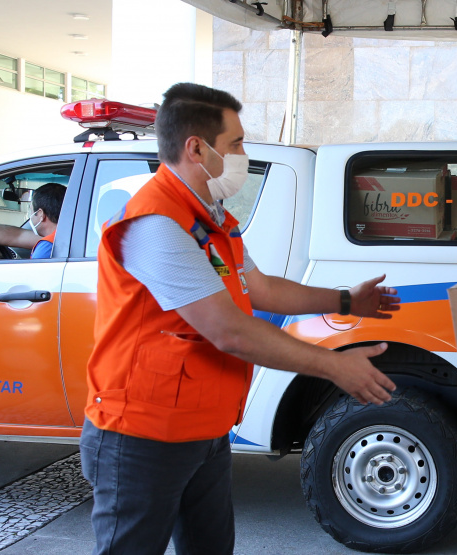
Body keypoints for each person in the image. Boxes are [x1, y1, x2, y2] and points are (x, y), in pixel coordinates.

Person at [80, 83, 399, 555]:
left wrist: (345, 300)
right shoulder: (156, 224)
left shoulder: (211, 220)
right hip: (142, 433)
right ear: (196, 148)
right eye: (235, 144)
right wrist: (335, 365)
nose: (242, 155)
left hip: (202, 427)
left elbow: (263, 288)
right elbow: (228, 329)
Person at [0, 183, 66, 258]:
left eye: (31, 209)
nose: (30, 215)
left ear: (40, 214)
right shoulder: (65, 238)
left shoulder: (47, 247)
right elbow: (17, 236)